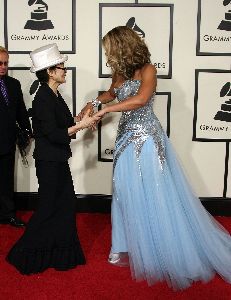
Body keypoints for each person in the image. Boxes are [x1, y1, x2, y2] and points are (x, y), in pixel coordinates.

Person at [79, 26, 231, 290]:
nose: (107, 54)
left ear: (121, 46)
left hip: (148, 139)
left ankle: (163, 247)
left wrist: (107, 110)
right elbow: (111, 94)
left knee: (154, 191)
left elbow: (140, 99)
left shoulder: (148, 69)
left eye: (109, 49)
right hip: (125, 139)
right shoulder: (119, 72)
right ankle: (127, 244)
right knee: (125, 191)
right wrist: (94, 101)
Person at [7, 43, 100, 275]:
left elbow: (67, 126)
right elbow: (55, 134)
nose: (65, 70)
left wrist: (84, 120)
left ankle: (59, 253)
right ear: (50, 71)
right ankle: (25, 253)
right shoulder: (42, 99)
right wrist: (81, 125)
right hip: (48, 162)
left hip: (58, 159)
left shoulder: (55, 95)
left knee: (65, 204)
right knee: (49, 208)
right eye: (61, 67)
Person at [0, 46, 33, 227]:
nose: (3, 67)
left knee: (6, 180)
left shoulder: (13, 84)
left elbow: (20, 110)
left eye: (6, 63)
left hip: (7, 140)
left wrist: (27, 130)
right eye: (0, 63)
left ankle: (8, 215)